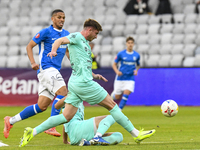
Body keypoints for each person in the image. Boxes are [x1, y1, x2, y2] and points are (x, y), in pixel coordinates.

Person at [19, 18, 155, 147]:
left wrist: (94, 75)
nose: (96, 36)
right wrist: (54, 50)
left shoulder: (86, 46)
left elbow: (83, 65)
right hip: (83, 83)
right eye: (96, 33)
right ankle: (136, 134)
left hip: (77, 82)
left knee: (66, 116)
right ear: (89, 30)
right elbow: (59, 40)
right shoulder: (77, 37)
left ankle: (33, 131)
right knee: (113, 106)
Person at [3, 9, 70, 138]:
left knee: (42, 106)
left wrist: (74, 62)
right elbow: (29, 46)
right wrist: (33, 62)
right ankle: (51, 126)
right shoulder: (46, 32)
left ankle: (10, 121)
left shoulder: (66, 34)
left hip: (53, 71)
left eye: (63, 17)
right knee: (63, 93)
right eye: (59, 17)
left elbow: (67, 51)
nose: (61, 20)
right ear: (53, 19)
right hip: (47, 69)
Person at [55, 98, 123, 146]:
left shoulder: (79, 99)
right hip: (78, 128)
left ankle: (89, 142)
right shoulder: (69, 97)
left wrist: (65, 141)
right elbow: (57, 106)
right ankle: (97, 138)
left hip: (75, 138)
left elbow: (65, 121)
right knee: (112, 117)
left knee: (119, 136)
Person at [111, 37, 140, 110]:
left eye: (131, 43)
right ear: (126, 44)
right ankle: (112, 96)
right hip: (120, 78)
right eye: (129, 43)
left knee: (126, 93)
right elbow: (114, 64)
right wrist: (117, 72)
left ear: (134, 44)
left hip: (130, 78)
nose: (130, 44)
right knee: (117, 97)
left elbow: (138, 65)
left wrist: (136, 70)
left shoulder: (136, 55)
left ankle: (119, 111)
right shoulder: (121, 54)